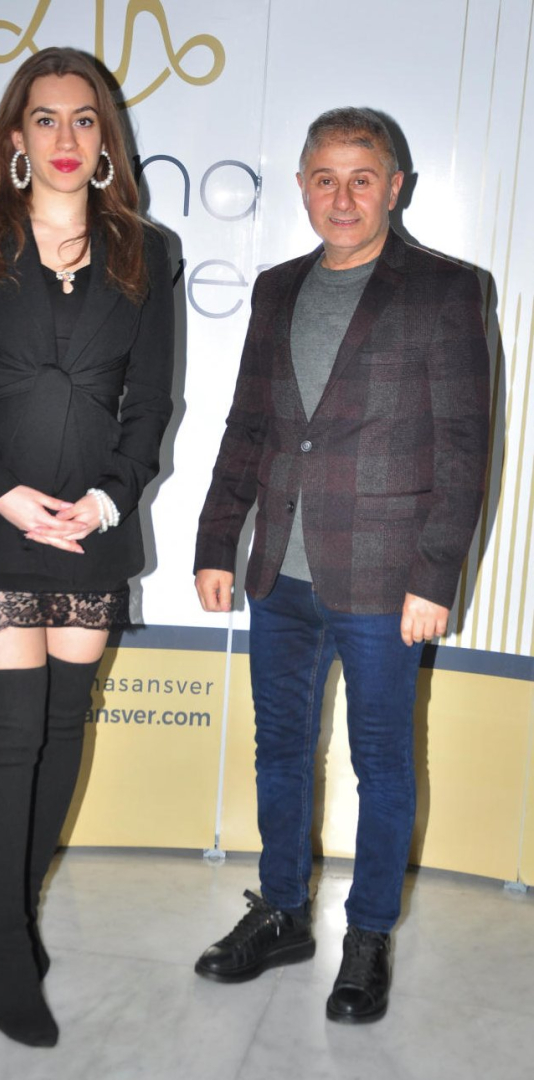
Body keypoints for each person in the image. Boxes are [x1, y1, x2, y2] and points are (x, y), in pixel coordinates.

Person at [193, 108, 489, 1023]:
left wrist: (435, 576)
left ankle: (367, 937)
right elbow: (248, 424)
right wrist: (217, 540)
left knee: (381, 763)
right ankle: (283, 912)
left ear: (395, 186)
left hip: (386, 580)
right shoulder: (277, 288)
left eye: (362, 179)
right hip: (280, 572)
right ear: (302, 187)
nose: (343, 197)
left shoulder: (447, 290)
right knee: (280, 749)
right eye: (325, 178)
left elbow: (464, 447)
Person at [0, 47, 174, 1047]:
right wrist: (7, 495)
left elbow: (150, 402)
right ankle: (8, 952)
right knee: (12, 733)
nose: (65, 137)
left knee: (65, 725)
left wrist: (106, 503)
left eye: (83, 118)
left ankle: (12, 918)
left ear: (106, 137)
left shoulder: (146, 250)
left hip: (91, 526)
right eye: (45, 118)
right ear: (15, 136)